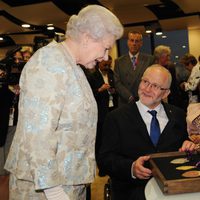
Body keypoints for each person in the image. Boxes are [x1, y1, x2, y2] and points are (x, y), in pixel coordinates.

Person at [4, 5, 123, 200]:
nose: (105, 56)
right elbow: (37, 133)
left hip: (67, 182)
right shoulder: (49, 63)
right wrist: (54, 191)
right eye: (106, 47)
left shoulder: (72, 65)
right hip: (45, 189)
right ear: (86, 37)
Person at [97, 64, 196, 200]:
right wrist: (131, 168)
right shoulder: (116, 118)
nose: (147, 89)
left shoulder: (178, 115)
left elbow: (184, 145)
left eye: (155, 86)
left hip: (172, 190)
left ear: (166, 93)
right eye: (145, 82)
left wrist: (188, 145)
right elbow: (104, 160)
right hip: (132, 191)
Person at [88, 55, 118, 160]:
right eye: (105, 64)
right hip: (100, 112)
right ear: (99, 63)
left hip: (112, 109)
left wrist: (113, 91)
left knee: (111, 137)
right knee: (100, 138)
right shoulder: (92, 76)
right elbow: (88, 94)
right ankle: (100, 161)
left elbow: (116, 88)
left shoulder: (111, 74)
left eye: (109, 65)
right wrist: (100, 89)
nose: (107, 67)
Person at [114, 31, 154, 106]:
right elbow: (117, 83)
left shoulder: (149, 60)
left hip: (143, 100)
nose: (134, 43)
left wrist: (142, 95)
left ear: (141, 43)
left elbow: (152, 80)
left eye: (137, 41)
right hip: (125, 101)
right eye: (132, 40)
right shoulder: (119, 61)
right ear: (128, 42)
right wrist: (129, 97)